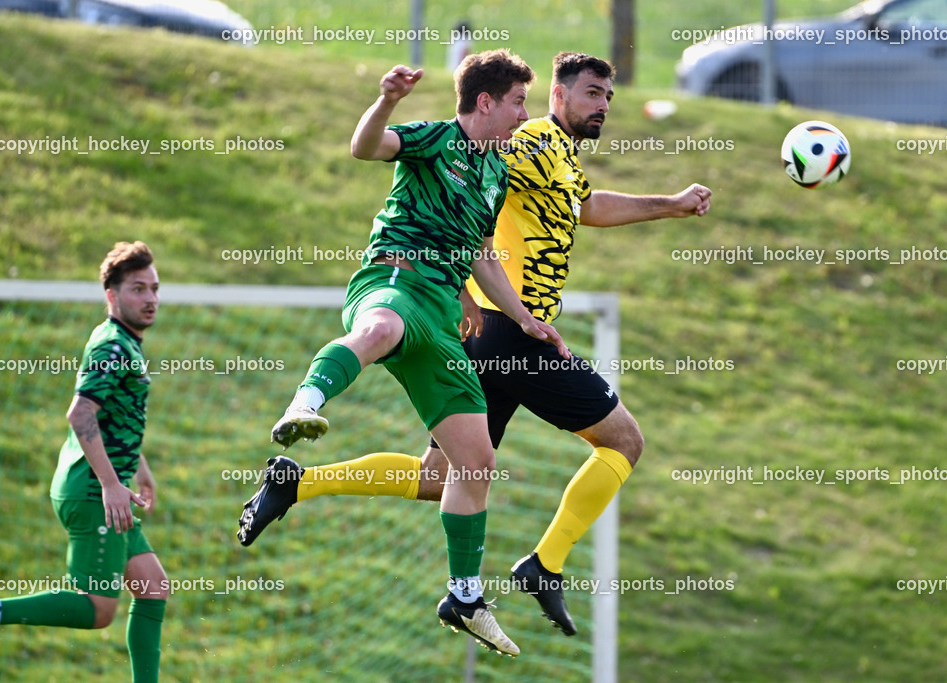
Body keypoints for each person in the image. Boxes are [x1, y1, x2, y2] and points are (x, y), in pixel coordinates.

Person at [240, 50, 710, 639]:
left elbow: (578, 208)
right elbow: (443, 152)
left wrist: (669, 204)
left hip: (503, 325)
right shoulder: (527, 143)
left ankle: (297, 483)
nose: (604, 106)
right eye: (593, 93)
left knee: (444, 477)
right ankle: (543, 565)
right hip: (503, 331)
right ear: (554, 97)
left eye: (609, 97)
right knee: (624, 440)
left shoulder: (554, 155)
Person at [236, 50, 568, 658]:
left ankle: (465, 597)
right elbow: (366, 147)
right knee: (382, 329)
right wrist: (387, 98)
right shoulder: (435, 138)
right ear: (487, 102)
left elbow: (482, 255)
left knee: (474, 462)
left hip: (442, 316)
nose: (526, 115)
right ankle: (302, 404)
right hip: (393, 281)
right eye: (519, 103)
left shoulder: (496, 172)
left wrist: (523, 319)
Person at [0, 241, 168, 682]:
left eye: (154, 288)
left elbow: (115, 415)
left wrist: (139, 465)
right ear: (112, 296)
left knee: (152, 588)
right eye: (138, 289)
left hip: (101, 483)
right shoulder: (114, 345)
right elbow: (80, 414)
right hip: (95, 491)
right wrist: (113, 485)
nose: (151, 298)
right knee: (98, 609)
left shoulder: (121, 343)